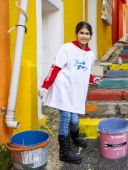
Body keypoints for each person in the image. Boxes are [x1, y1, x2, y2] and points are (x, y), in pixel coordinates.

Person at [38, 21, 100, 164]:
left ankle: (75, 138)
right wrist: (45, 86)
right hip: (64, 89)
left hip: (76, 92)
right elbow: (56, 67)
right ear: (76, 34)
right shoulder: (67, 48)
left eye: (87, 33)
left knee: (74, 120)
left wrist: (93, 79)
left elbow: (84, 73)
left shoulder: (90, 54)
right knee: (65, 118)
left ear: (91, 36)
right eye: (81, 33)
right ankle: (64, 152)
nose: (84, 36)